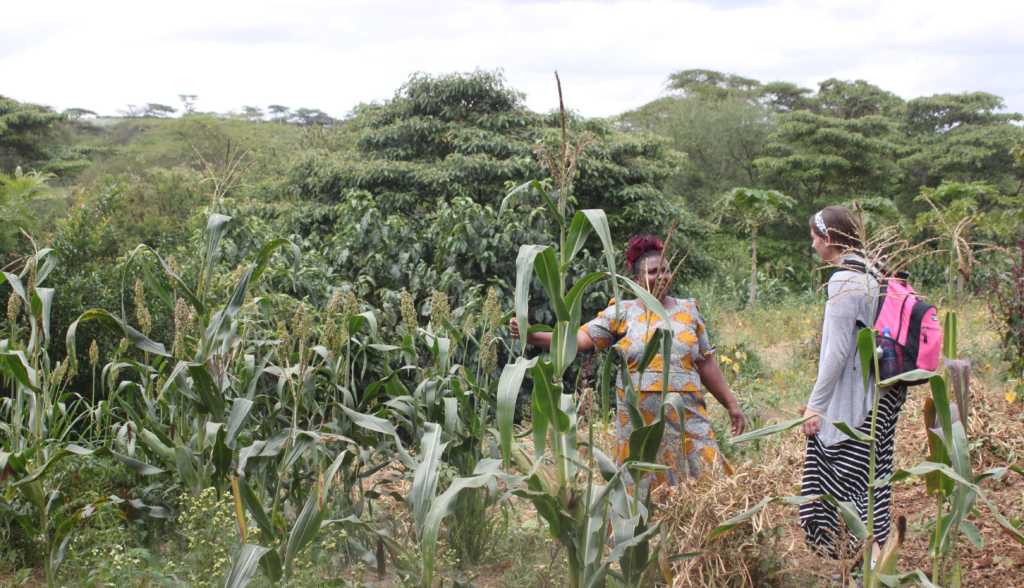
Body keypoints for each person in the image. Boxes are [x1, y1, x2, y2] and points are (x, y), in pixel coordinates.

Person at [510, 235, 744, 485]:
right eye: (654, 272)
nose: (662, 276)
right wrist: (533, 335)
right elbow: (579, 340)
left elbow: (705, 362)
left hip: (687, 416)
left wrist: (731, 404)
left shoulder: (689, 311)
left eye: (666, 270)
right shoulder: (620, 312)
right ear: (635, 280)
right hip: (638, 423)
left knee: (706, 479)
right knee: (641, 484)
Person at [798, 206, 905, 565]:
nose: (813, 245)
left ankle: (865, 566)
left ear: (829, 239)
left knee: (839, 484)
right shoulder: (875, 271)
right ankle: (869, 566)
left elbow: (838, 351)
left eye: (814, 237)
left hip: (856, 403)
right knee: (871, 482)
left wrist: (816, 405)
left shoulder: (844, 280)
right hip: (885, 396)